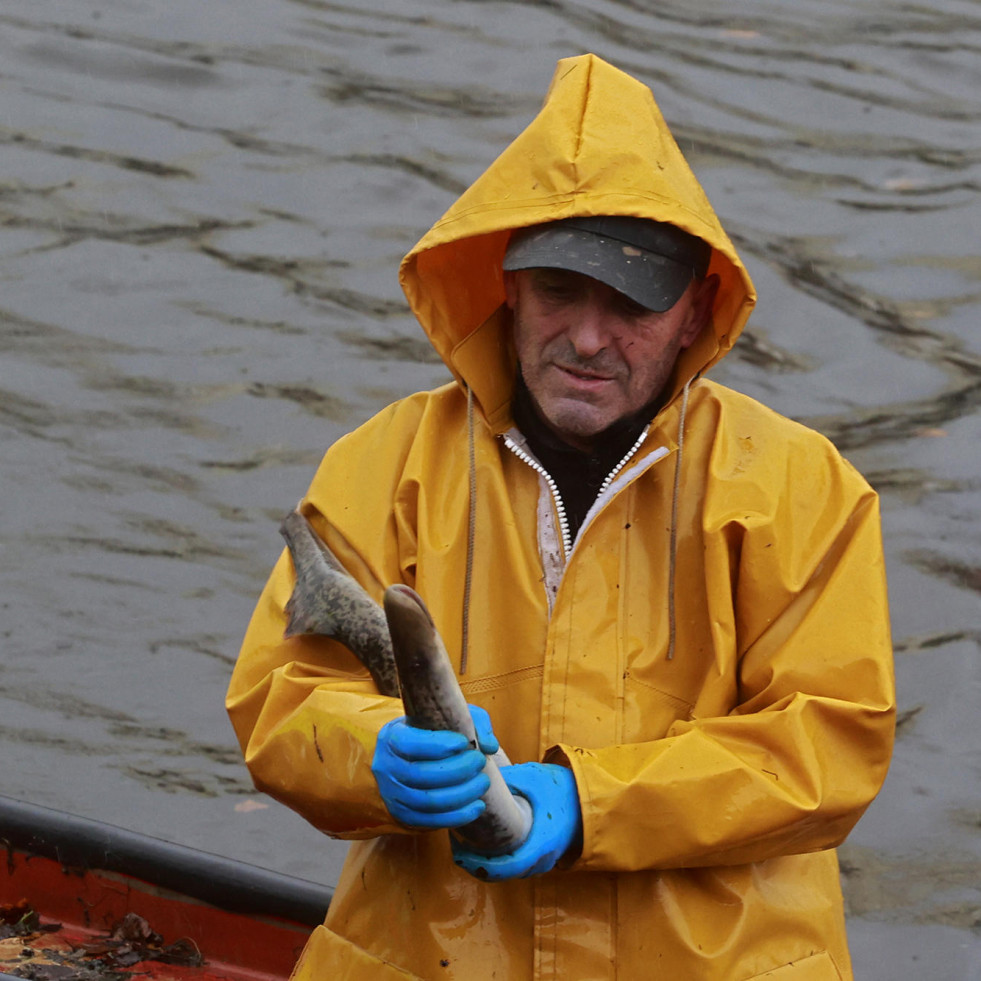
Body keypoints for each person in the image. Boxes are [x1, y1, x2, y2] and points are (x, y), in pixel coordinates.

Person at [226, 53, 895, 980]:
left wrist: (590, 801)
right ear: (505, 281)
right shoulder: (376, 466)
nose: (586, 337)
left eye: (630, 303)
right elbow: (278, 701)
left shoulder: (802, 487)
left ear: (696, 303)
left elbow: (828, 744)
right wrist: (366, 750)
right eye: (558, 290)